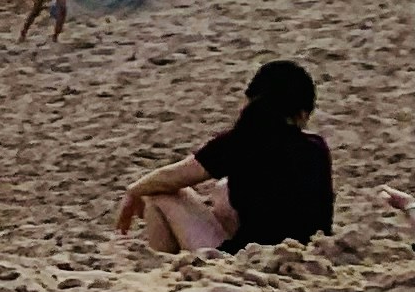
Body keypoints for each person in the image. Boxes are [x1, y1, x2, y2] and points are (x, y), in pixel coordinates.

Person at [119, 59, 334, 256]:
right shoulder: (317, 148)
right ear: (302, 113)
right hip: (306, 252)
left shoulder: (241, 140)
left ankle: (167, 266)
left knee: (159, 194)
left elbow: (172, 177)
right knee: (223, 188)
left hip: (248, 258)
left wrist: (134, 190)